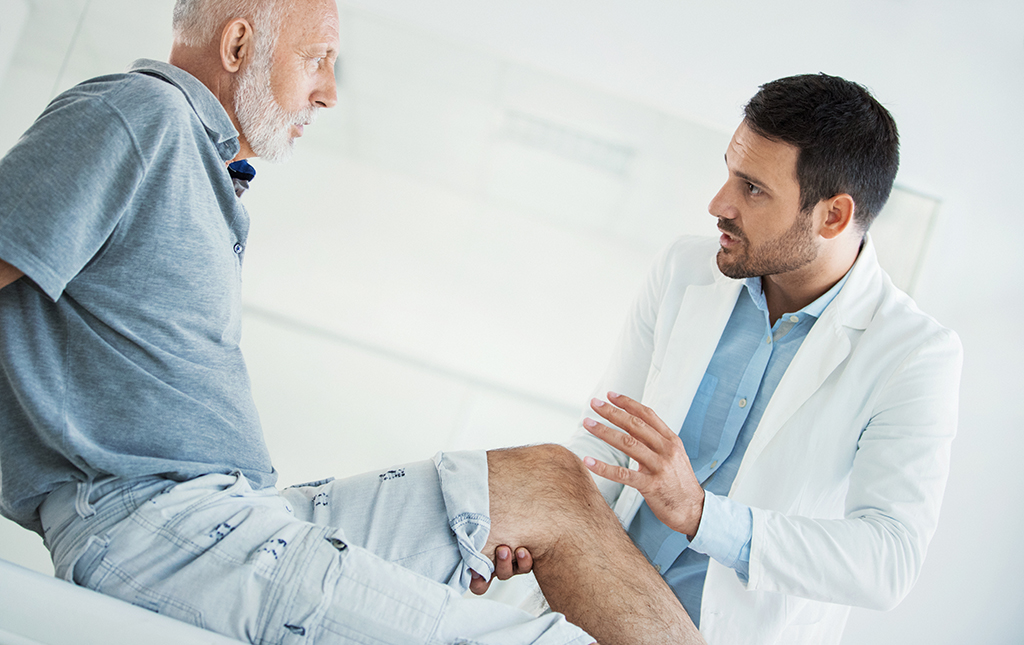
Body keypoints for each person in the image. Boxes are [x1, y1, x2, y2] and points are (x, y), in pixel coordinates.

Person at [0, 1, 705, 643]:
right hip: (154, 525)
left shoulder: (197, 159)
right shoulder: (137, 115)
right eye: (316, 59)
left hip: (234, 510)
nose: (328, 91)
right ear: (240, 43)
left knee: (551, 486)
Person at [562, 74, 963, 643]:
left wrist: (703, 516)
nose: (718, 204)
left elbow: (887, 561)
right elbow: (607, 440)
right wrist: (545, 534)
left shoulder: (913, 354)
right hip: (587, 603)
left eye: (752, 189)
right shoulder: (684, 269)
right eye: (729, 171)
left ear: (833, 216)